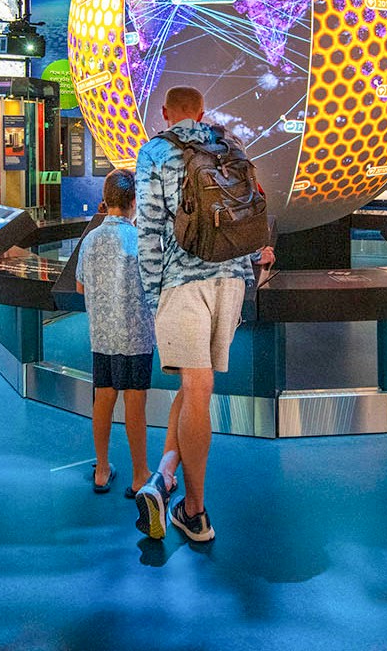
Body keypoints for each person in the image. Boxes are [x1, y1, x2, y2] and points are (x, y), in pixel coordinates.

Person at [133, 86, 273, 543]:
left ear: (166, 113)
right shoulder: (230, 143)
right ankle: (166, 475)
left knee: (196, 387)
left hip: (183, 282)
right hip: (231, 280)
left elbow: (149, 230)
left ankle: (194, 511)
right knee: (195, 387)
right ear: (202, 112)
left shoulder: (154, 151)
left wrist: (156, 297)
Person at [75, 170, 156, 497]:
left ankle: (103, 468)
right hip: (136, 338)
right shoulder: (139, 240)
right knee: (135, 403)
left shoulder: (90, 239)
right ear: (135, 202)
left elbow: (80, 285)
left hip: (102, 336)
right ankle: (140, 475)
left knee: (103, 397)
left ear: (106, 201)